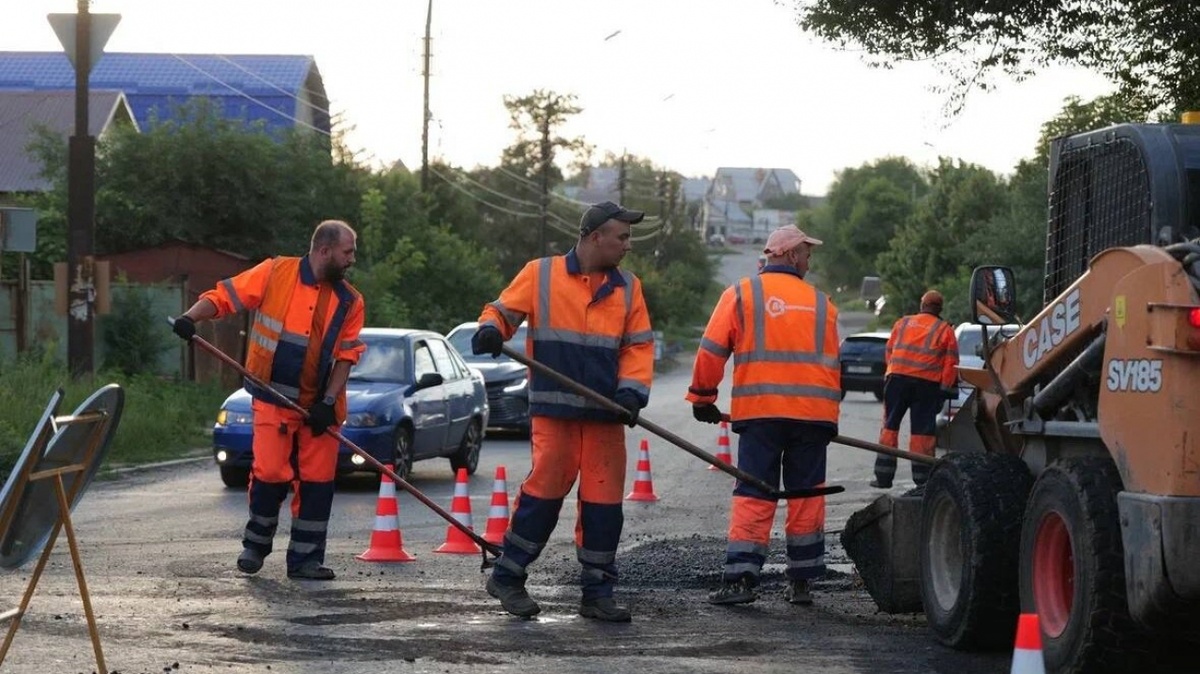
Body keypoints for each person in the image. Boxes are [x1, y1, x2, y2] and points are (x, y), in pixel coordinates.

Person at [473, 200, 654, 622]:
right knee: (544, 493)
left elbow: (639, 347)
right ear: (595, 237)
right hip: (556, 413)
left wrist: (631, 393)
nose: (628, 245)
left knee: (604, 504)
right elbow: (502, 311)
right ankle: (508, 575)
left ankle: (597, 592)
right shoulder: (542, 274)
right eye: (622, 236)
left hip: (606, 416)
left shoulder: (629, 288)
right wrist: (489, 330)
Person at [171, 220, 365, 580]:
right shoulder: (275, 273)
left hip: (319, 410)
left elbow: (346, 357)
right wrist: (189, 318)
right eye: (348, 251)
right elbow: (223, 297)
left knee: (317, 481)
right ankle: (256, 545)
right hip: (273, 399)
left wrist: (326, 402)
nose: (352, 259)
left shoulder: (350, 301)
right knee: (271, 471)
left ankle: (306, 560)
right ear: (325, 250)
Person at [686, 225, 841, 607]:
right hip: (813, 418)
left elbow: (711, 350)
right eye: (806, 254)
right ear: (790, 255)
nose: (809, 261)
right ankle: (802, 581)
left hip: (762, 416)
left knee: (754, 492)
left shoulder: (741, 294)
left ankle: (741, 580)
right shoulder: (823, 304)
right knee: (806, 495)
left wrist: (703, 397)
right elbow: (835, 366)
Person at [872, 289, 958, 489]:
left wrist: (892, 372)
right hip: (927, 385)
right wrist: (944, 389)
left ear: (922, 305)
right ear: (939, 308)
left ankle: (883, 477)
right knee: (922, 433)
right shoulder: (944, 330)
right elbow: (951, 362)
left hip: (897, 380)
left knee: (890, 427)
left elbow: (889, 350)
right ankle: (922, 481)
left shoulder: (903, 323)